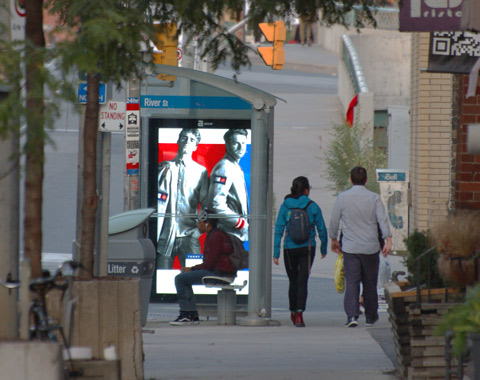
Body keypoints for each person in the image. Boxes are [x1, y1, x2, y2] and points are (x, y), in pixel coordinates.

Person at [329, 166, 392, 328]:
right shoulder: (374, 198)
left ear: (351, 180)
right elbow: (382, 220)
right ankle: (371, 316)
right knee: (370, 282)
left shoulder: (342, 198)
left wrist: (334, 238)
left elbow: (334, 220)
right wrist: (388, 239)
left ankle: (352, 315)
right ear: (366, 180)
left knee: (352, 281)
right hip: (370, 246)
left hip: (350, 247)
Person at [273, 176, 328, 327]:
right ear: (306, 190)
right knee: (303, 281)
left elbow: (279, 230)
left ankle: (291, 311)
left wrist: (276, 253)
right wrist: (324, 248)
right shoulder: (312, 206)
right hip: (308, 248)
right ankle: (299, 314)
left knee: (293, 281)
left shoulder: (286, 206)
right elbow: (322, 229)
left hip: (289, 249)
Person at [170, 209, 236, 326]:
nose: (197, 224)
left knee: (180, 279)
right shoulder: (214, 235)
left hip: (219, 273)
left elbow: (209, 264)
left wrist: (191, 269)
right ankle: (191, 315)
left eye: (199, 222)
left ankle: (186, 315)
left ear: (207, 223)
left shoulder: (215, 237)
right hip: (219, 271)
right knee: (184, 278)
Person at [157, 128, 209, 269]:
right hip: (165, 237)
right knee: (162, 279)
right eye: (184, 138)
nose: (187, 142)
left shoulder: (201, 172)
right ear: (178, 141)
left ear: (196, 146)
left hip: (189, 237)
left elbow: (206, 204)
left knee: (194, 280)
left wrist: (198, 232)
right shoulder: (164, 167)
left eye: (192, 140)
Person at [208, 129, 249, 242]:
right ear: (227, 144)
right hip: (228, 235)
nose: (241, 147)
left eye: (243, 143)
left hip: (233, 234)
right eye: (236, 143)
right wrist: (241, 224)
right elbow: (216, 204)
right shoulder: (225, 167)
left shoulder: (234, 166)